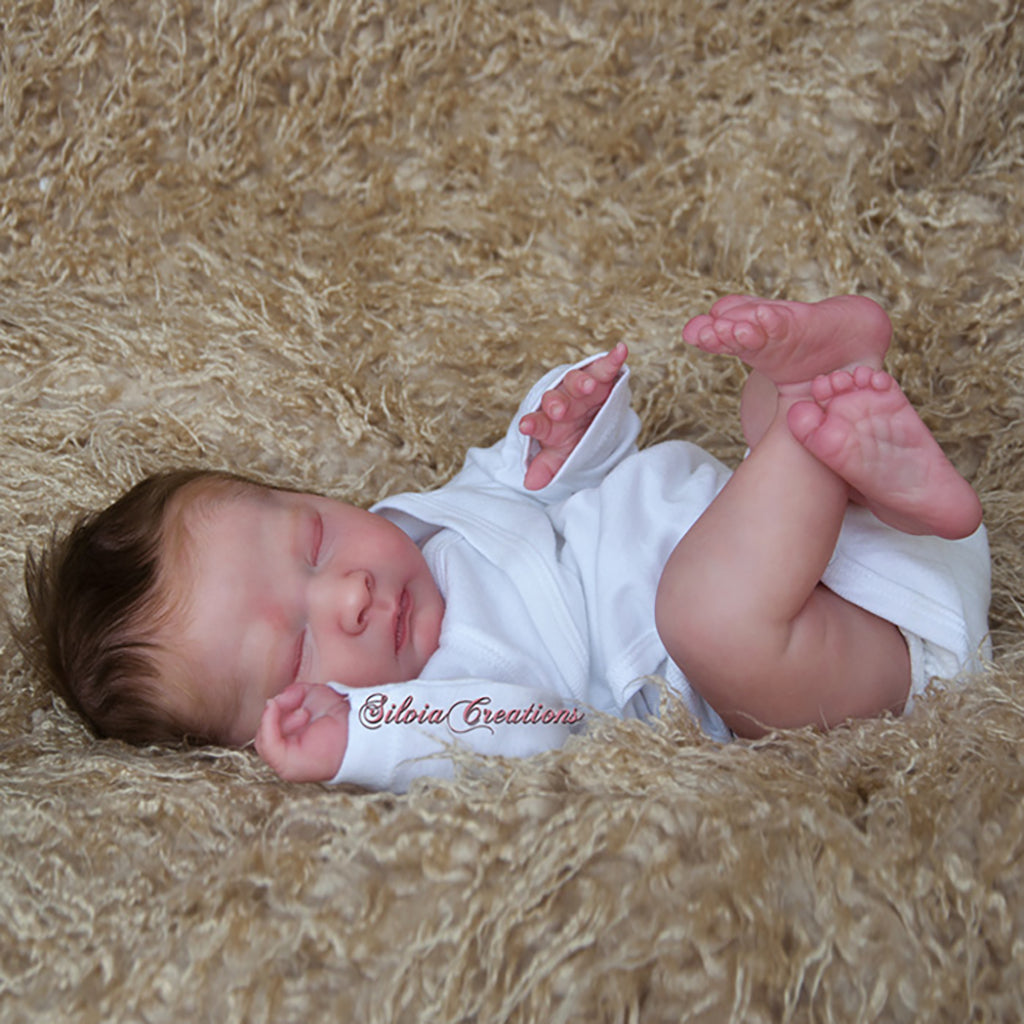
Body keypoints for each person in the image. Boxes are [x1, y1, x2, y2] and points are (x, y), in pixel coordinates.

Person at [24, 296, 991, 792]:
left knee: (743, 420)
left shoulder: (420, 520)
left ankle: (820, 406)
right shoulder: (418, 714)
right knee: (702, 615)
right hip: (844, 652)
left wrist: (564, 424)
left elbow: (522, 477)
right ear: (286, 721)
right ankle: (825, 438)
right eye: (301, 647)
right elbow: (537, 731)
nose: (347, 593)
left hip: (803, 533)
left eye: (313, 541)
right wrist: (362, 738)